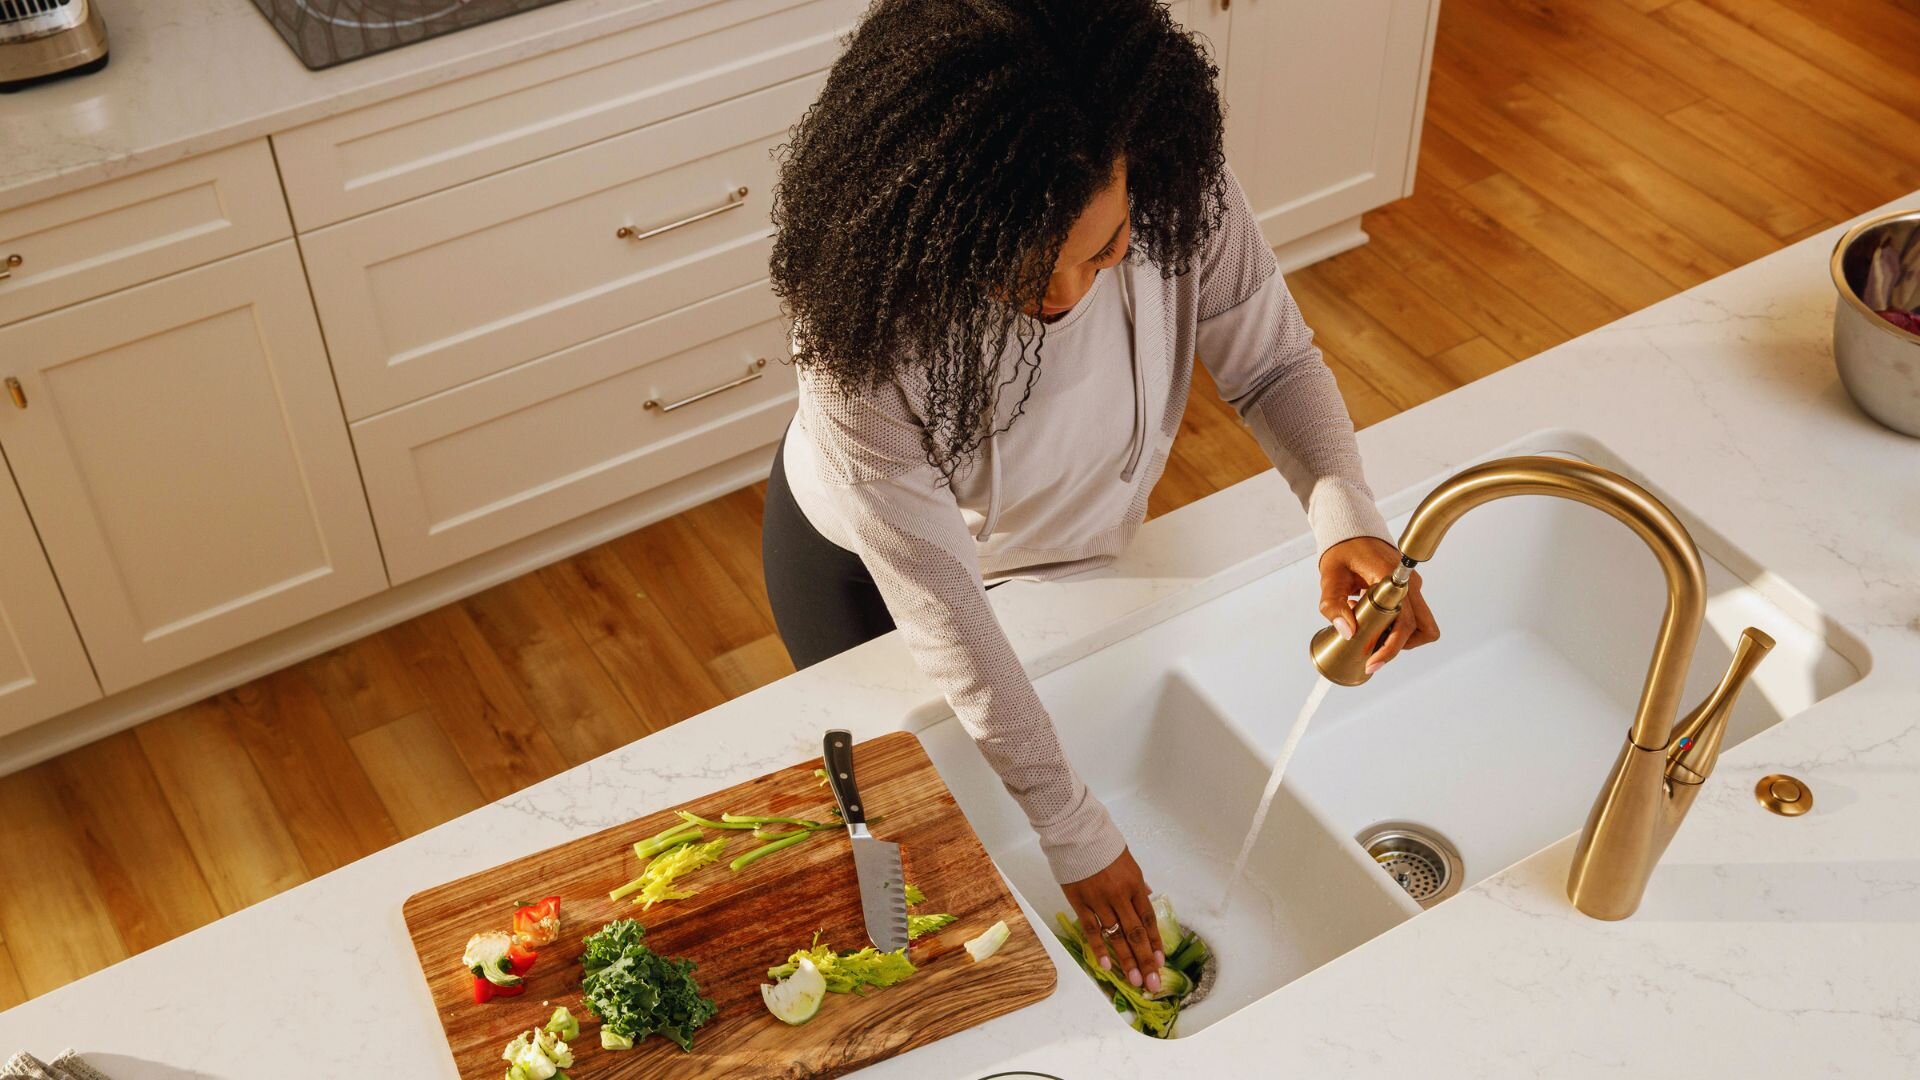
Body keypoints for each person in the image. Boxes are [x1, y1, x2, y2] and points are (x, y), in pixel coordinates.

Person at [759, 0, 1439, 994]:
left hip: (1069, 550)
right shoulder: (858, 346)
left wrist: (1345, 516)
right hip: (868, 577)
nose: (1069, 292)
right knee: (914, 846)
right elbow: (946, 610)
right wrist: (1074, 834)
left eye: (1105, 249)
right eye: (1021, 272)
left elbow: (1272, 361)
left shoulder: (1174, 182)